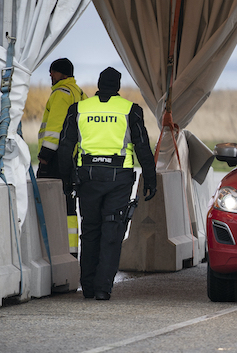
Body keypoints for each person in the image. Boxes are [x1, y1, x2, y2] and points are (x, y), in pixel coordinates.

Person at [58, 67, 157, 301]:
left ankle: (88, 287)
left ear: (99, 85)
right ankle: (103, 288)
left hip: (87, 178)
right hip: (118, 179)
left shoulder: (79, 109)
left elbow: (64, 147)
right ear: (118, 87)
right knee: (112, 231)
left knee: (90, 230)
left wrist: (67, 180)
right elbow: (142, 147)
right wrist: (150, 179)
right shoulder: (130, 110)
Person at [37, 58, 84, 257]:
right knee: (69, 206)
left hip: (56, 158)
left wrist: (45, 156)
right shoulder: (79, 92)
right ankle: (71, 251)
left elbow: (55, 128)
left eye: (53, 72)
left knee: (48, 204)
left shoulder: (60, 94)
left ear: (62, 75)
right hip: (72, 158)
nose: (50, 76)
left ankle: (51, 251)